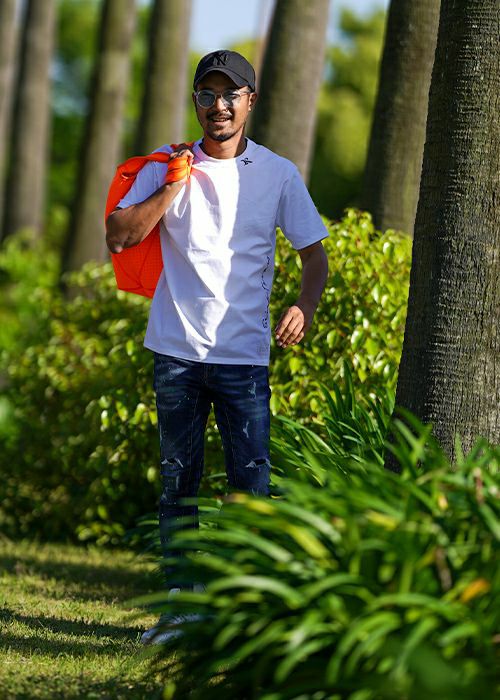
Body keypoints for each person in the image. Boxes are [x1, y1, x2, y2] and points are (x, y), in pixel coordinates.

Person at [105, 50, 329, 644]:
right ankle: (180, 608)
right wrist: (170, 190)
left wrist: (304, 306)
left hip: (244, 358)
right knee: (178, 481)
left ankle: (241, 612)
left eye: (231, 94)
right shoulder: (168, 164)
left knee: (250, 487)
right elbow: (119, 236)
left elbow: (314, 256)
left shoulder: (278, 173)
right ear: (196, 102)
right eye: (208, 95)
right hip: (176, 351)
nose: (219, 106)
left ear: (250, 101)